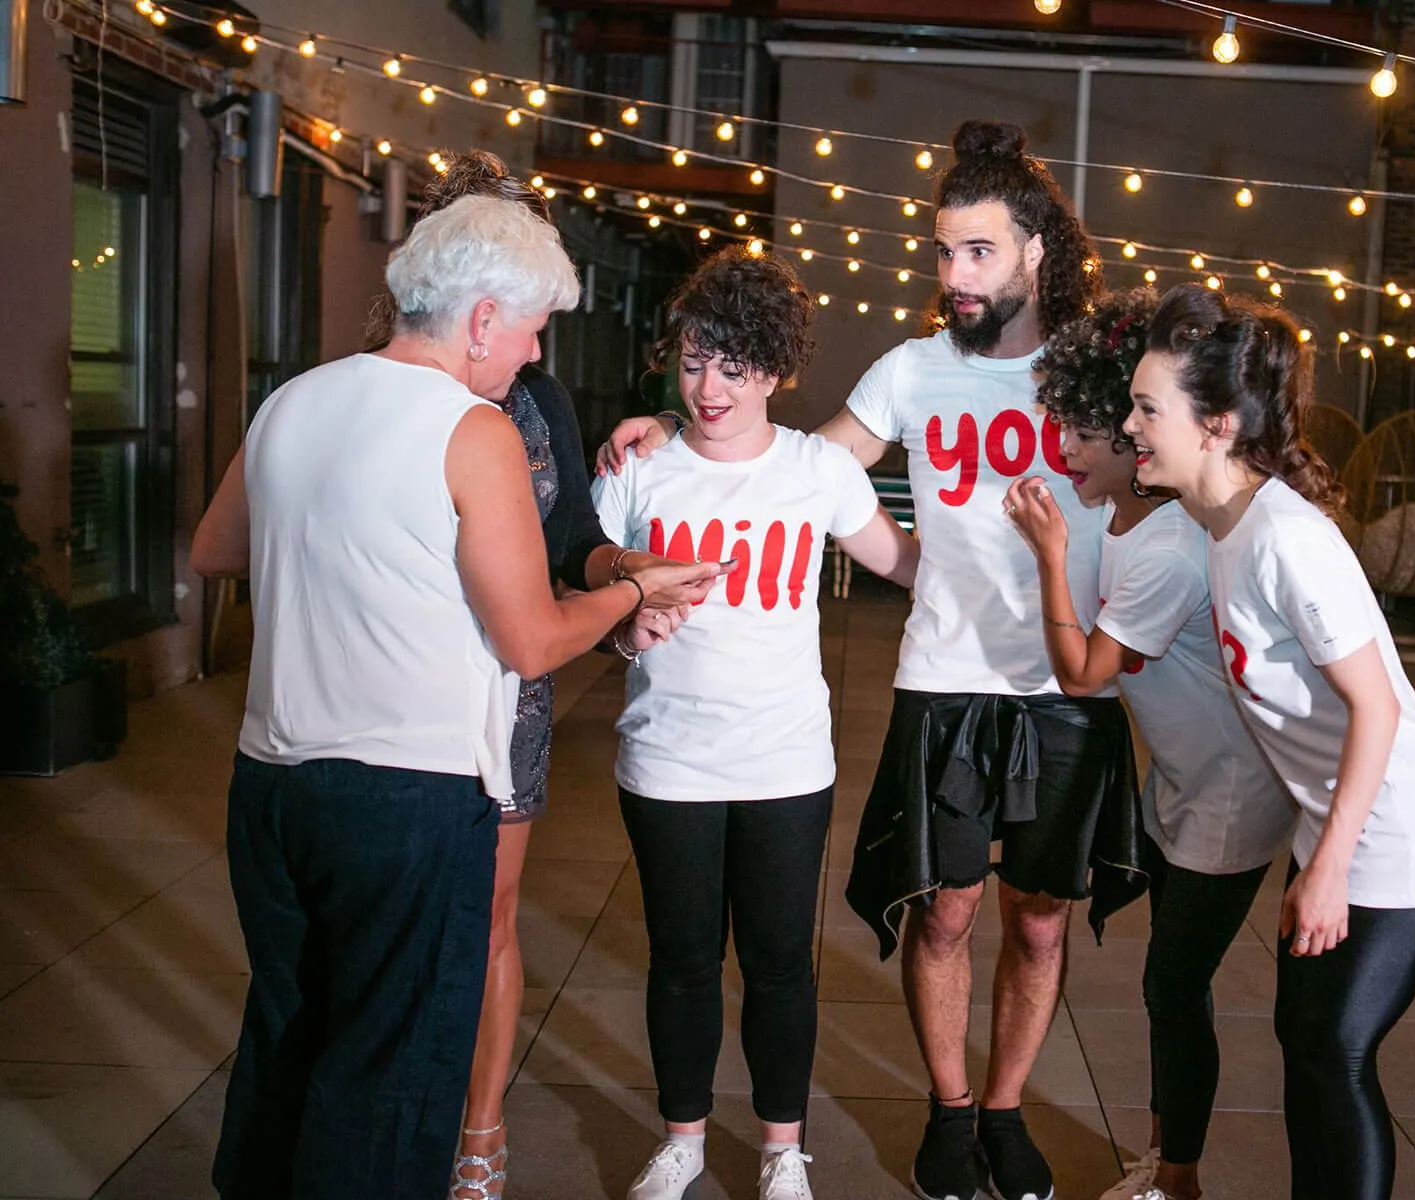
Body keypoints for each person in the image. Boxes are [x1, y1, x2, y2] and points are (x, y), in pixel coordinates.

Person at [600, 118, 1146, 1200]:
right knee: (942, 912)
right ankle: (950, 1112)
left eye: (979, 251)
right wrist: (671, 420)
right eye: (944, 251)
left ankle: (1007, 1113)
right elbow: (784, 467)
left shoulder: (1092, 371)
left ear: (1036, 249)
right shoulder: (911, 370)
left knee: (1040, 922)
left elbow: (1164, 465)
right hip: (942, 676)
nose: (955, 274)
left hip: (1062, 678)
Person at [190, 194, 722, 1200]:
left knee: (289, 1035)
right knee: (389, 1076)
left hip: (272, 787)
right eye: (531, 328)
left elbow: (216, 550)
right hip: (408, 798)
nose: (532, 353)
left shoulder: (295, 399)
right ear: (481, 318)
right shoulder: (472, 429)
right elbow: (531, 639)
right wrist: (632, 593)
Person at [1127, 284, 1415, 1200]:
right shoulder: (1225, 527)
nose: (1131, 427)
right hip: (1338, 824)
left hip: (1404, 828)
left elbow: (1377, 709)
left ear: (1216, 425)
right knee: (1307, 1043)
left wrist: (1326, 868)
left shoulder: (1285, 539)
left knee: (1336, 1048)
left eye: (1147, 409)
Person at [365, 150, 685, 1200]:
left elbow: (572, 540)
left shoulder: (537, 398)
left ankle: (479, 1132)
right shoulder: (380, 382)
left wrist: (626, 571)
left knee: (492, 915)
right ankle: (390, 1115)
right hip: (402, 687)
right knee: (392, 922)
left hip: (514, 694)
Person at [591, 246, 920, 1200]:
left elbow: (908, 566)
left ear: (775, 370)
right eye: (694, 363)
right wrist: (625, 627)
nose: (708, 389)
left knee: (780, 966)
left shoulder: (817, 470)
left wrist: (1035, 567)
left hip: (785, 762)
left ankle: (782, 1149)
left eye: (733, 367)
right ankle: (684, 1139)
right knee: (682, 962)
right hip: (666, 759)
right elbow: (588, 594)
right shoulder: (640, 468)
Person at [1002, 289, 1296, 1200]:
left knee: (1173, 985)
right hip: (1181, 779)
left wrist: (1051, 557)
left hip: (1231, 792)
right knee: (1173, 987)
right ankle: (1169, 1160)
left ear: (1139, 449)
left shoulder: (1169, 546)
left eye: (1087, 436)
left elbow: (1084, 672)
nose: (1066, 452)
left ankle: (1179, 1177)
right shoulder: (1122, 515)